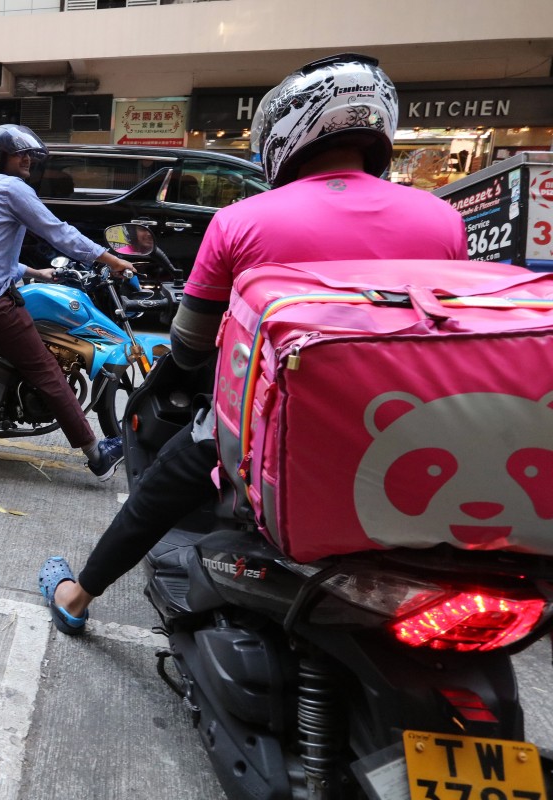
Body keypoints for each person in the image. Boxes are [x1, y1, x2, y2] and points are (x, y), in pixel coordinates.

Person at [38, 53, 469, 634]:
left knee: (161, 485)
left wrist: (197, 365)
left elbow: (189, 345)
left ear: (287, 132)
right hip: (412, 425)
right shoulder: (442, 219)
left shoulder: (242, 220)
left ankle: (77, 597)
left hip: (277, 429)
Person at [0, 123, 137, 482]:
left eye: (29, 155)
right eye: (19, 154)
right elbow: (57, 231)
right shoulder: (11, 188)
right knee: (47, 370)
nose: (27, 160)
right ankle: (96, 454)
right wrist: (109, 260)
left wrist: (35, 273)